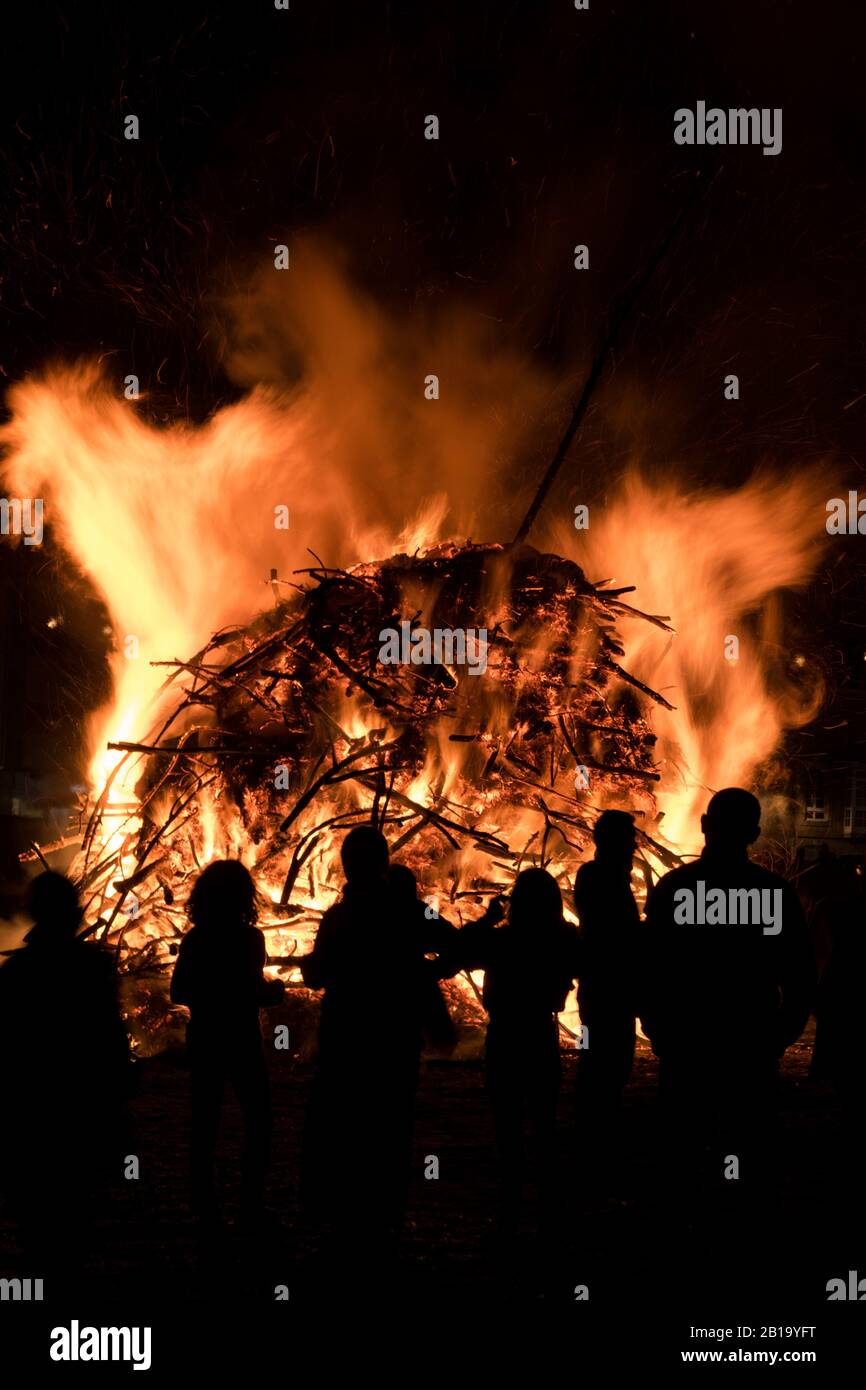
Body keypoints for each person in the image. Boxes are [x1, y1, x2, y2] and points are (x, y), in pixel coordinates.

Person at [641, 788, 815, 1193]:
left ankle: (690, 1218)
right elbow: (800, 974)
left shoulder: (675, 889)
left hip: (689, 1042)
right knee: (740, 1149)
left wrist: (658, 1028)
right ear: (753, 835)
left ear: (704, 825)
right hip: (749, 1043)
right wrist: (780, 1034)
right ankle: (733, 1214)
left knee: (685, 1149)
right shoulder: (772, 894)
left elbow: (650, 966)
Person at [300, 826, 429, 1249]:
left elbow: (317, 975)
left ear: (348, 868)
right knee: (391, 1123)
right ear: (384, 864)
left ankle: (346, 1217)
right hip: (394, 1037)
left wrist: (308, 967)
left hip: (347, 1037)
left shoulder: (339, 917)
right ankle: (386, 1215)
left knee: (346, 1121)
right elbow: (447, 941)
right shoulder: (406, 912)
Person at [0, 871, 131, 1272]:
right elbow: (109, 1032)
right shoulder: (92, 966)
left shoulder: (16, 972)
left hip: (33, 1107)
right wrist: (120, 1082)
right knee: (78, 1197)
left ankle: (42, 1275)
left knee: (37, 1202)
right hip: (80, 1103)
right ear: (74, 915)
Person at [455, 868, 581, 1235]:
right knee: (544, 1118)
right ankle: (546, 1203)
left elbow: (461, 949)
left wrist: (488, 920)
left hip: (507, 1034)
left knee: (507, 1119)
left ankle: (512, 1199)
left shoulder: (503, 941)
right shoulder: (563, 938)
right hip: (540, 1032)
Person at [170, 859, 284, 1232]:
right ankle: (250, 1201)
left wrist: (208, 995)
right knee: (258, 1118)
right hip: (241, 1037)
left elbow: (179, 991)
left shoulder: (196, 938)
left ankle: (204, 1202)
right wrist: (274, 991)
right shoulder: (250, 939)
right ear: (244, 897)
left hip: (205, 1037)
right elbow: (253, 991)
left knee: (205, 1118)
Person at [573, 810, 642, 1128]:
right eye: (629, 838)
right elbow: (615, 932)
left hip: (605, 983)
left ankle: (597, 1117)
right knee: (604, 1054)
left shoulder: (603, 875)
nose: (634, 844)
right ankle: (596, 1122)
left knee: (606, 1055)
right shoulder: (600, 876)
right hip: (606, 984)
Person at [387, 863, 460, 1051]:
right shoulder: (419, 912)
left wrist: (435, 970)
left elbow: (454, 943)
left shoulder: (419, 913)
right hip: (413, 994)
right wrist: (435, 970)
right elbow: (455, 943)